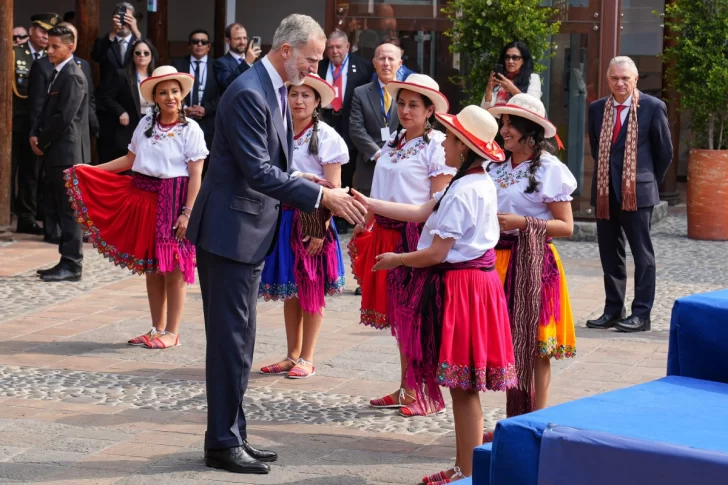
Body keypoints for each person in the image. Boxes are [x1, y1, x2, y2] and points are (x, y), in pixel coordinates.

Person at [186, 14, 366, 475]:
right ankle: (222, 442)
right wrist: (321, 194)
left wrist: (305, 179)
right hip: (229, 234)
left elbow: (272, 164)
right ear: (286, 51)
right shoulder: (249, 92)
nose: (314, 72)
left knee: (241, 340)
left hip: (247, 232)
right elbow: (257, 171)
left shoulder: (272, 89)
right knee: (230, 342)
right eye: (310, 61)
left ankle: (232, 434)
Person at [352, 105, 517, 484]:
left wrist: (397, 259)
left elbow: (435, 253)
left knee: (464, 386)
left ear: (463, 145)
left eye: (450, 136)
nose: (443, 142)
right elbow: (421, 210)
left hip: (463, 287)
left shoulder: (463, 190)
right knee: (464, 384)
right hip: (472, 285)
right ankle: (466, 467)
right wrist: (368, 203)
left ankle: (467, 470)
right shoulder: (468, 183)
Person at [65, 65, 206, 348]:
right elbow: (129, 161)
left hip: (175, 199)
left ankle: (172, 331)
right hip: (143, 197)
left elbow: (196, 175)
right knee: (152, 267)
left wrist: (187, 213)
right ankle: (156, 327)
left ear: (182, 95)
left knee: (174, 267)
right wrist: (93, 170)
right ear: (155, 98)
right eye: (163, 92)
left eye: (175, 91)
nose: (170, 97)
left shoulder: (190, 129)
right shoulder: (145, 124)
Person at [349, 73, 454, 417]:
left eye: (414, 105)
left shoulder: (436, 145)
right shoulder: (394, 140)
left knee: (417, 317)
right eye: (402, 103)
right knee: (400, 317)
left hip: (416, 236)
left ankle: (425, 392)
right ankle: (408, 387)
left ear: (429, 111)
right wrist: (365, 223)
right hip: (386, 231)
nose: (406, 111)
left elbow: (438, 202)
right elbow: (379, 190)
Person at [483, 94, 577, 440]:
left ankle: (534, 423)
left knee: (535, 346)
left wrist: (523, 223)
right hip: (499, 263)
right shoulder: (495, 166)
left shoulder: (551, 170)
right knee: (509, 345)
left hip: (534, 265)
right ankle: (514, 421)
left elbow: (565, 226)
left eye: (510, 124)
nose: (503, 130)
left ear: (529, 132)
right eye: (503, 123)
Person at [259, 74, 348, 379]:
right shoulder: (279, 131)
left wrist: (320, 228)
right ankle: (291, 354)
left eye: (305, 96)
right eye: (293, 94)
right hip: (283, 218)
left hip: (313, 217)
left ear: (317, 101)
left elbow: (333, 189)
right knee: (291, 289)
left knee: (310, 288)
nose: (298, 101)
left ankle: (307, 356)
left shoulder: (326, 136)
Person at [586, 56, 673, 333]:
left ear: (635, 79)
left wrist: (645, 182)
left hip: (637, 192)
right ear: (608, 80)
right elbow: (597, 148)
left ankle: (641, 314)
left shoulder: (653, 107)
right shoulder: (597, 109)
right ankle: (613, 310)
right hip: (605, 192)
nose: (620, 83)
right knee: (610, 254)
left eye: (625, 78)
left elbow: (665, 152)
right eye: (614, 78)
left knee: (642, 255)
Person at [30, 21, 99, 247]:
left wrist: (43, 139)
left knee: (70, 210)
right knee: (59, 205)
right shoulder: (59, 72)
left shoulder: (73, 75)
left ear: (70, 48)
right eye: (48, 46)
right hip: (58, 151)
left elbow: (64, 117)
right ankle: (65, 260)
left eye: (55, 47)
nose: (49, 51)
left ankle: (72, 261)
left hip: (67, 152)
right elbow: (45, 108)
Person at [317, 29, 373, 233]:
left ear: (347, 47)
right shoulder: (320, 67)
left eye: (338, 47)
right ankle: (328, 210)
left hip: (350, 122)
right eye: (330, 47)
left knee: (347, 167)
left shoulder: (363, 66)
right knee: (327, 165)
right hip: (326, 119)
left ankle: (345, 215)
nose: (334, 51)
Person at [11, 13, 60, 236]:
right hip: (15, 122)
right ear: (31, 31)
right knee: (9, 170)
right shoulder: (14, 53)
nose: (44, 36)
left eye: (49, 32)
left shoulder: (53, 58)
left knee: (33, 172)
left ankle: (27, 216)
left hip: (39, 124)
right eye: (41, 30)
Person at [98, 39, 158, 163]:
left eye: (146, 53)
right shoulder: (122, 75)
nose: (142, 55)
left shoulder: (157, 76)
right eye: (138, 53)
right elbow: (106, 98)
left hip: (152, 125)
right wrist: (121, 111)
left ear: (151, 56)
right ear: (132, 55)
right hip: (129, 127)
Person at [172, 29, 221, 176]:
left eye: (203, 42)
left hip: (208, 125)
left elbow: (222, 94)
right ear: (189, 45)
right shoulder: (178, 64)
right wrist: (183, 108)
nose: (199, 44)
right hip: (182, 122)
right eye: (195, 41)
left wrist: (206, 109)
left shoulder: (217, 66)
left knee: (206, 168)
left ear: (209, 46)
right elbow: (173, 89)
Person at [481, 41, 542, 109]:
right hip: (496, 119)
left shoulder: (532, 78)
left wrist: (511, 88)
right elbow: (484, 110)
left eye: (515, 58)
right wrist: (489, 89)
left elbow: (534, 107)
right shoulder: (500, 79)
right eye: (507, 57)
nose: (510, 61)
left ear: (523, 61)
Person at [91, 2, 141, 83]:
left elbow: (150, 58)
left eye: (127, 18)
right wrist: (113, 32)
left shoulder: (139, 41)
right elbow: (96, 57)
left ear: (134, 20)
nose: (124, 22)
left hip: (132, 91)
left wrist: (137, 33)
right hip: (109, 93)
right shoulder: (104, 41)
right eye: (121, 18)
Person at [214, 22, 261, 92]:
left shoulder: (255, 62)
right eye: (238, 38)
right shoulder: (220, 63)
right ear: (228, 41)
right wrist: (246, 62)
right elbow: (227, 85)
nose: (242, 42)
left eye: (244, 38)